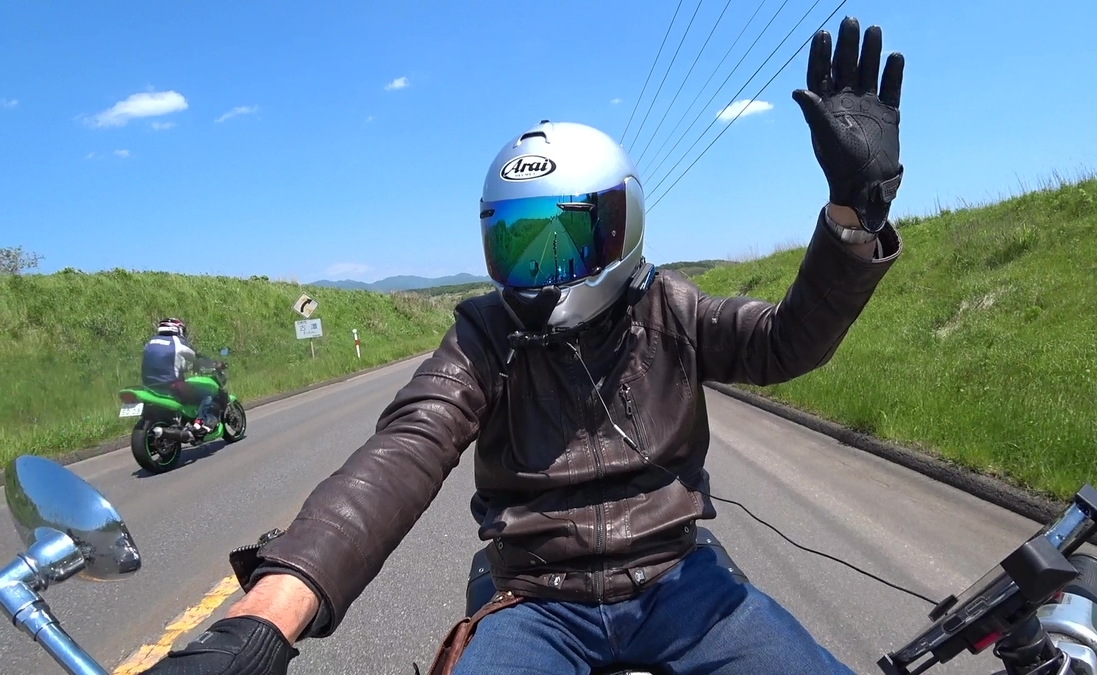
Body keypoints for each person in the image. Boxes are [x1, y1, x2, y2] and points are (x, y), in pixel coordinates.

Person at [145, 15, 905, 675]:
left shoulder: (670, 309)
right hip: (537, 599)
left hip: (679, 580)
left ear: (620, 227)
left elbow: (785, 341)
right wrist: (269, 611)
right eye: (517, 245)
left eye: (558, 241)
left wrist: (852, 214)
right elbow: (404, 451)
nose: (538, 272)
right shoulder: (488, 332)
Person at [142, 317, 219, 437]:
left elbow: (165, 362)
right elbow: (195, 357)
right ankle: (198, 424)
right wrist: (212, 363)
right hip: (171, 385)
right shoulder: (177, 342)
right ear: (177, 329)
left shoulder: (150, 343)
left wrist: (185, 368)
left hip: (149, 386)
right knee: (207, 396)